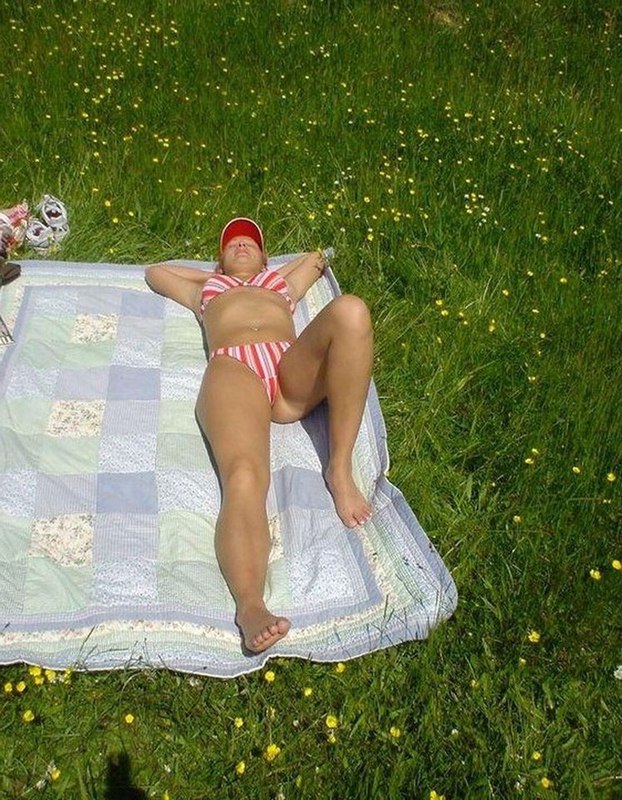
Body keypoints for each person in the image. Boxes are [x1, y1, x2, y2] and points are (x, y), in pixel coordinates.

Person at [145, 218, 374, 653]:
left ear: (267, 257)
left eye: (250, 242)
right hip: (235, 371)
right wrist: (213, 275)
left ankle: (339, 467)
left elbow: (316, 259)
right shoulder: (206, 292)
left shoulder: (281, 285)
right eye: (231, 244)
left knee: (352, 310)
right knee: (245, 476)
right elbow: (156, 272)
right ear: (218, 260)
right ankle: (251, 606)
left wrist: (277, 271)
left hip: (290, 372)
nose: (241, 245)